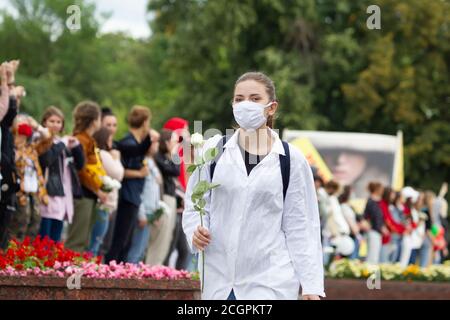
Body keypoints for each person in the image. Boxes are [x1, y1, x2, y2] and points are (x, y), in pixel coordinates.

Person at [182, 71, 324, 300]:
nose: (245, 104)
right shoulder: (213, 149)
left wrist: (311, 285)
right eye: (239, 99)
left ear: (271, 107)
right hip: (219, 279)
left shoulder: (291, 160)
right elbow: (195, 203)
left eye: (255, 98)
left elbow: (301, 224)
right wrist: (195, 232)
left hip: (270, 280)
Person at [105, 106, 152, 263]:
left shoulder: (136, 143)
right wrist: (139, 173)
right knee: (119, 241)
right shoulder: (128, 142)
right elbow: (120, 171)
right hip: (126, 195)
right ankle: (110, 274)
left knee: (127, 242)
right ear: (145, 122)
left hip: (134, 196)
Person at [65, 101, 107, 253]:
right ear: (94, 120)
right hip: (81, 194)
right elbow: (81, 171)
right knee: (76, 242)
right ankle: (68, 275)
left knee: (84, 241)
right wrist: (97, 190)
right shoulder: (80, 140)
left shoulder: (89, 140)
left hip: (89, 195)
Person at [39, 106, 85, 242]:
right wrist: (61, 145)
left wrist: (76, 148)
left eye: (58, 122)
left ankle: (52, 262)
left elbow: (80, 165)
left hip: (62, 194)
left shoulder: (62, 142)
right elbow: (46, 160)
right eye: (52, 121)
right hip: (47, 193)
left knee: (56, 238)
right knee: (44, 236)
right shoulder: (41, 140)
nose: (55, 125)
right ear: (44, 122)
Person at [8, 115, 52, 241]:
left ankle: (27, 254)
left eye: (26, 124)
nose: (24, 126)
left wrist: (36, 126)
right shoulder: (10, 147)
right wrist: (17, 136)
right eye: (21, 123)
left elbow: (48, 139)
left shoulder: (32, 148)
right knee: (19, 223)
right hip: (19, 193)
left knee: (34, 223)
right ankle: (12, 254)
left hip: (35, 193)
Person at [127, 129, 162, 263]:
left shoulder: (151, 162)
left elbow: (155, 189)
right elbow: (139, 190)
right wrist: (141, 214)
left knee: (141, 252)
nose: (156, 144)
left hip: (151, 213)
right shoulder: (140, 161)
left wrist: (157, 213)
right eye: (153, 141)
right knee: (135, 252)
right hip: (143, 213)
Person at [89, 127, 124, 256]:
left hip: (107, 203)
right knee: (97, 241)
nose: (111, 143)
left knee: (99, 241)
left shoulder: (102, 153)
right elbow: (118, 174)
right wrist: (117, 159)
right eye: (109, 140)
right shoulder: (103, 153)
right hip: (103, 203)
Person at [0, 60, 22, 249]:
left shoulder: (5, 128)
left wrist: (9, 80)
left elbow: (10, 111)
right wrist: (6, 81)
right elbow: (6, 109)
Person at [155, 129, 181, 266]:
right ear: (166, 142)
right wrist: (175, 153)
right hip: (164, 197)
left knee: (167, 238)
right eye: (174, 141)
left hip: (170, 198)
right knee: (161, 237)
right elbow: (176, 171)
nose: (177, 144)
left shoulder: (165, 157)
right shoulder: (159, 157)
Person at [363, 182, 388, 264]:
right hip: (373, 230)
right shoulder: (371, 202)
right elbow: (369, 216)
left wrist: (382, 226)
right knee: (372, 255)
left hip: (377, 231)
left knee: (375, 255)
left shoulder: (378, 202)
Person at [339, 186, 362, 260]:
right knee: (351, 259)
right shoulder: (344, 207)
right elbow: (350, 222)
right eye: (351, 192)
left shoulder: (349, 206)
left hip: (354, 235)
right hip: (351, 236)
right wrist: (357, 233)